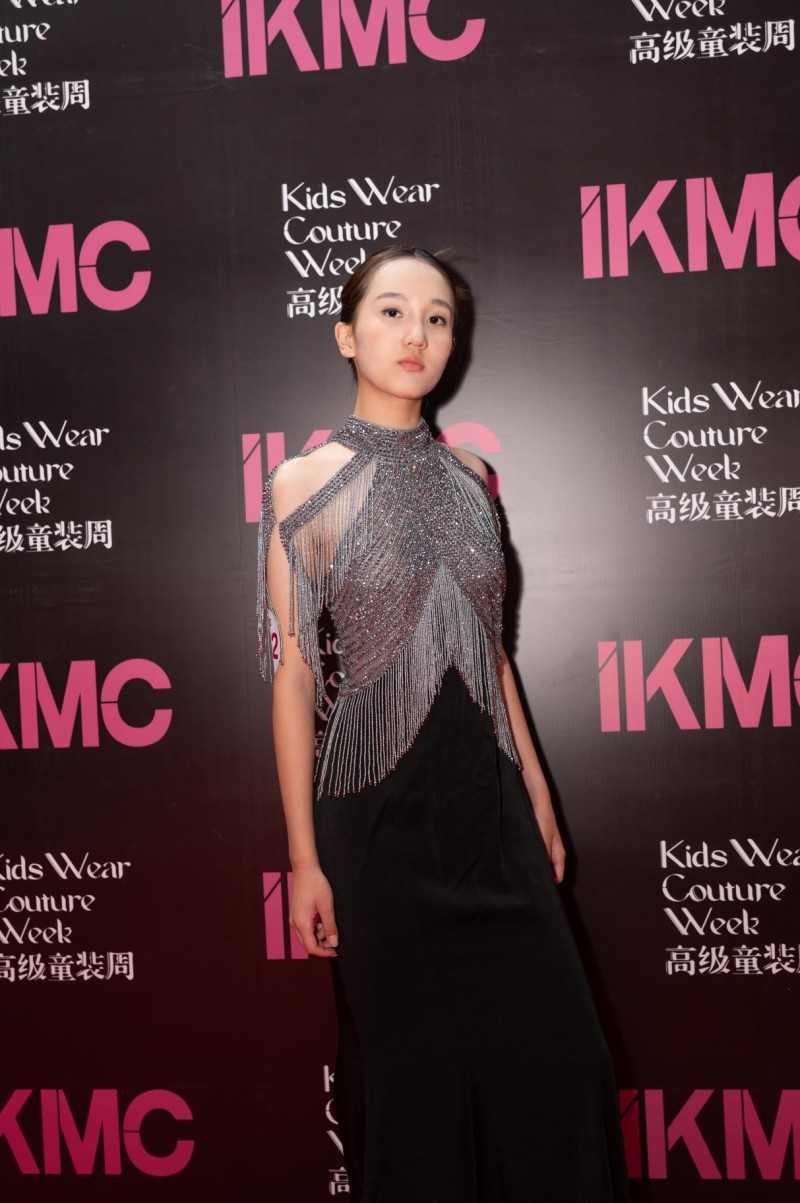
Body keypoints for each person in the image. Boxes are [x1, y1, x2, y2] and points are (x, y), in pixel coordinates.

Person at [258, 246, 630, 1201]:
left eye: (437, 317)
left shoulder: (474, 474)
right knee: (416, 1088)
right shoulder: (301, 482)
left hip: (490, 810)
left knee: (566, 1066)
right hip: (374, 822)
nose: (415, 333)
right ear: (346, 335)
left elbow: (493, 655)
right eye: (390, 311)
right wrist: (303, 860)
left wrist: (537, 794)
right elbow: (294, 678)